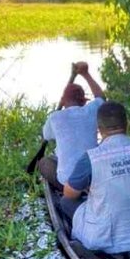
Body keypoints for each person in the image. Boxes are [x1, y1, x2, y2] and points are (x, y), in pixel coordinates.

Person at [61, 101, 130, 255]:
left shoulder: (91, 158)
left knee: (65, 202)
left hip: (105, 238)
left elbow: (69, 193)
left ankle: (104, 253)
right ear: (127, 124)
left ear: (99, 129)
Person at [36, 61, 105, 190]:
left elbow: (46, 135)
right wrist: (86, 74)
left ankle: (64, 192)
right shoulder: (91, 111)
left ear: (63, 101)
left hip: (67, 184)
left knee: (45, 162)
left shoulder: (55, 117)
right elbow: (101, 97)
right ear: (83, 102)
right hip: (94, 176)